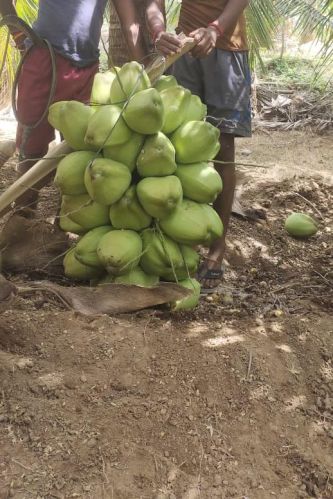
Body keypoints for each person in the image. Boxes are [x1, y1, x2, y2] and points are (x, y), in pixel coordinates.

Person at [0, 0, 146, 215]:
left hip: (86, 68)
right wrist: (19, 34)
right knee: (32, 150)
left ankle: (62, 221)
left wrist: (142, 73)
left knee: (77, 148)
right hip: (44, 58)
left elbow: (130, 24)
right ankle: (23, 214)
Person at [145, 0, 251, 292]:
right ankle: (182, 238)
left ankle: (217, 248)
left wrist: (215, 29)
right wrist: (158, 32)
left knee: (223, 149)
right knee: (179, 143)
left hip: (228, 49)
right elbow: (154, 3)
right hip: (185, 50)